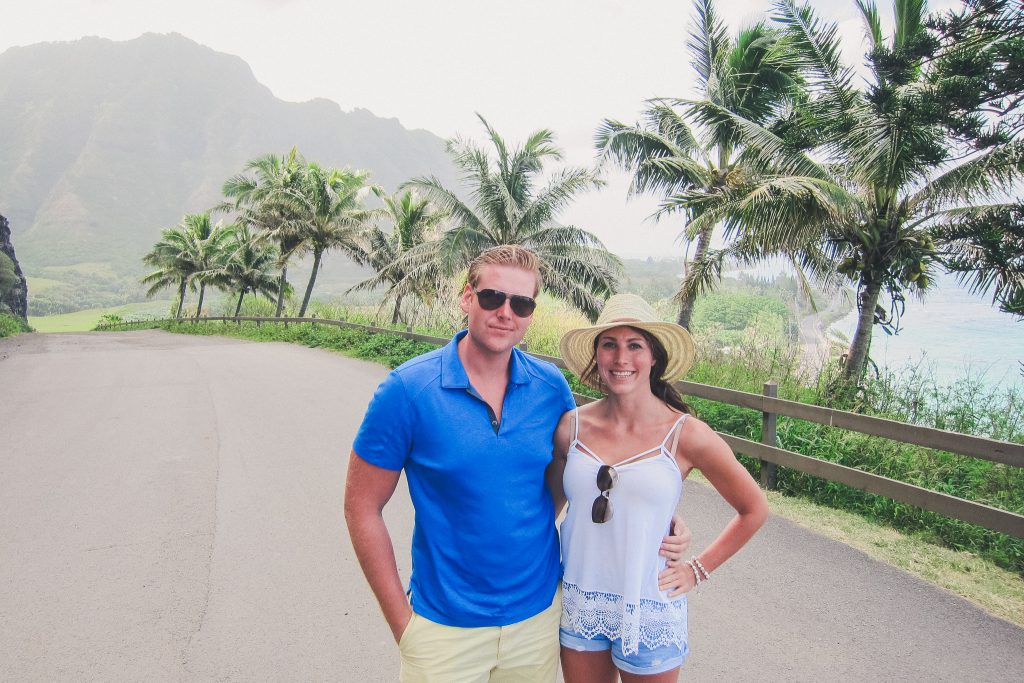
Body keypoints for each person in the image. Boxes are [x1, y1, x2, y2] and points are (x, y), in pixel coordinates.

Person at [343, 246, 691, 683]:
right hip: (443, 628)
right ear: (467, 297)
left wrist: (662, 518)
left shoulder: (550, 389)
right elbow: (361, 507)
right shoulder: (407, 391)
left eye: (521, 303)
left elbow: (582, 476)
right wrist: (402, 623)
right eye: (493, 297)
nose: (506, 312)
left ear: (531, 312)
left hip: (538, 619)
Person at [551, 293, 769, 682]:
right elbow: (548, 508)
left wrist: (697, 569)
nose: (621, 359)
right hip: (581, 600)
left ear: (654, 357)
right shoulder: (571, 427)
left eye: (635, 345)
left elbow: (754, 509)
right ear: (597, 355)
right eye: (609, 345)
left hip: (649, 606)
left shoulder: (686, 434)